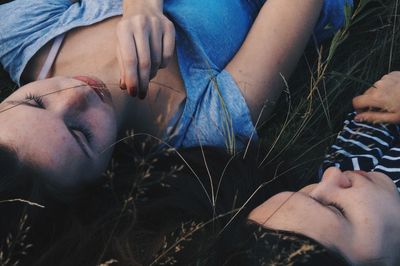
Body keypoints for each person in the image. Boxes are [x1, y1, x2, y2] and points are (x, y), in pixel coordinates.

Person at [0, 0, 352, 194]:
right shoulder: (204, 127)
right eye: (80, 134)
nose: (75, 98)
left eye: (35, 101)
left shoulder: (21, 34)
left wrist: (142, 7)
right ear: (101, 179)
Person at [131, 73, 400, 265]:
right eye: (337, 210)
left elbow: (379, 107)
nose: (330, 176)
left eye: (306, 192)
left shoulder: (345, 164)